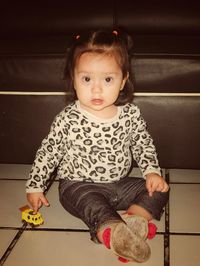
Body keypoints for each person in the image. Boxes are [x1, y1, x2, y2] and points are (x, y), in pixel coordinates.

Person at [26, 29, 169, 263]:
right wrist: (35, 185)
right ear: (73, 79)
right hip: (79, 185)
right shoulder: (68, 118)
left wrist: (151, 171)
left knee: (160, 188)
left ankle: (136, 218)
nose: (96, 89)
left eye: (108, 79)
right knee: (91, 203)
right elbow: (48, 152)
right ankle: (110, 230)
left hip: (120, 184)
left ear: (123, 80)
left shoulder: (130, 114)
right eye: (86, 79)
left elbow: (143, 143)